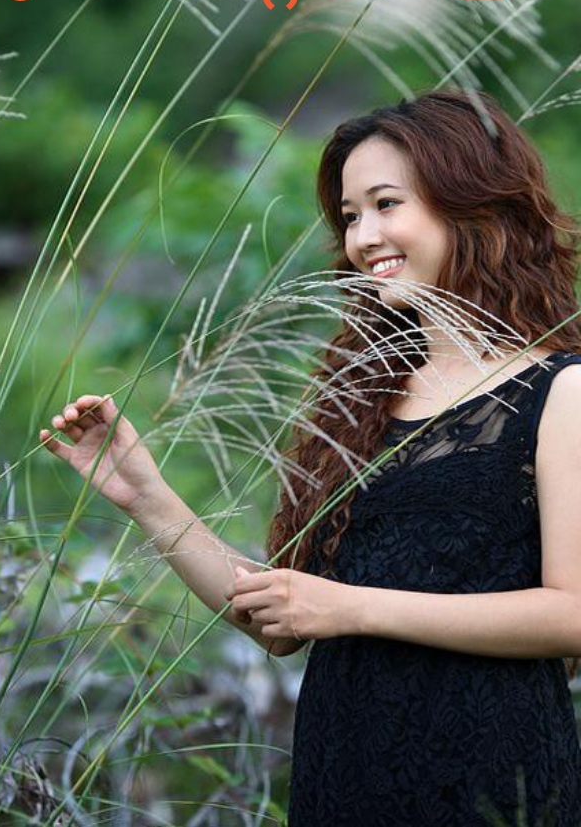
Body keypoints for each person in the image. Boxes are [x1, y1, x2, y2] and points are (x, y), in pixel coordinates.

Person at [39, 88, 581, 825]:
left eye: (386, 204)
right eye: (351, 216)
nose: (363, 237)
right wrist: (146, 496)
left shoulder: (560, 390)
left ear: (474, 203)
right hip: (341, 770)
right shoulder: (361, 398)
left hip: (490, 775)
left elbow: (571, 613)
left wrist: (350, 606)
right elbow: (283, 621)